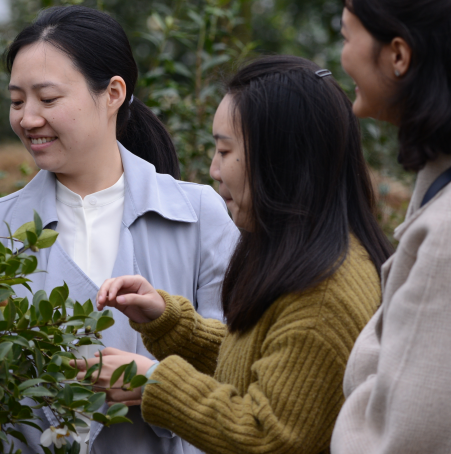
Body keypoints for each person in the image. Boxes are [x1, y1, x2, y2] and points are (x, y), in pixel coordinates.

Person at [0, 5, 238, 454]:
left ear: (113, 93)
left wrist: (156, 383)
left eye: (48, 99)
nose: (28, 118)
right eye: (17, 101)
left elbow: (237, 360)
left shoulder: (198, 213)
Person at [93, 56, 394, 454]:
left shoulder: (323, 296)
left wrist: (154, 379)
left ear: (280, 159)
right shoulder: (316, 259)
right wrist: (170, 324)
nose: (215, 169)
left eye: (224, 150)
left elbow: (268, 434)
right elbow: (267, 366)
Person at [331, 0, 451, 453]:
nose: (342, 57)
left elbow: (403, 439)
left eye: (347, 37)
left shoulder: (445, 237)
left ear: (398, 54)